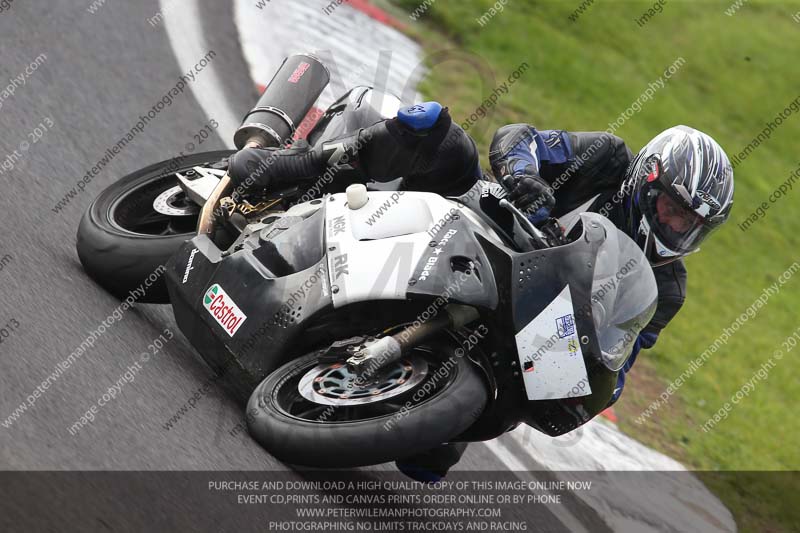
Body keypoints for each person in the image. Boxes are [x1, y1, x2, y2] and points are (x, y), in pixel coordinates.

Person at [227, 101, 734, 481]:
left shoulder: (666, 288)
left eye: (692, 225)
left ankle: (377, 363)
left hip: (524, 325)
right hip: (484, 225)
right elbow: (522, 138)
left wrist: (599, 379)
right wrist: (523, 176)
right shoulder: (606, 159)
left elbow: (620, 355)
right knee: (438, 132)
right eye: (673, 209)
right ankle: (293, 167)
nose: (677, 229)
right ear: (646, 181)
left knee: (428, 462)